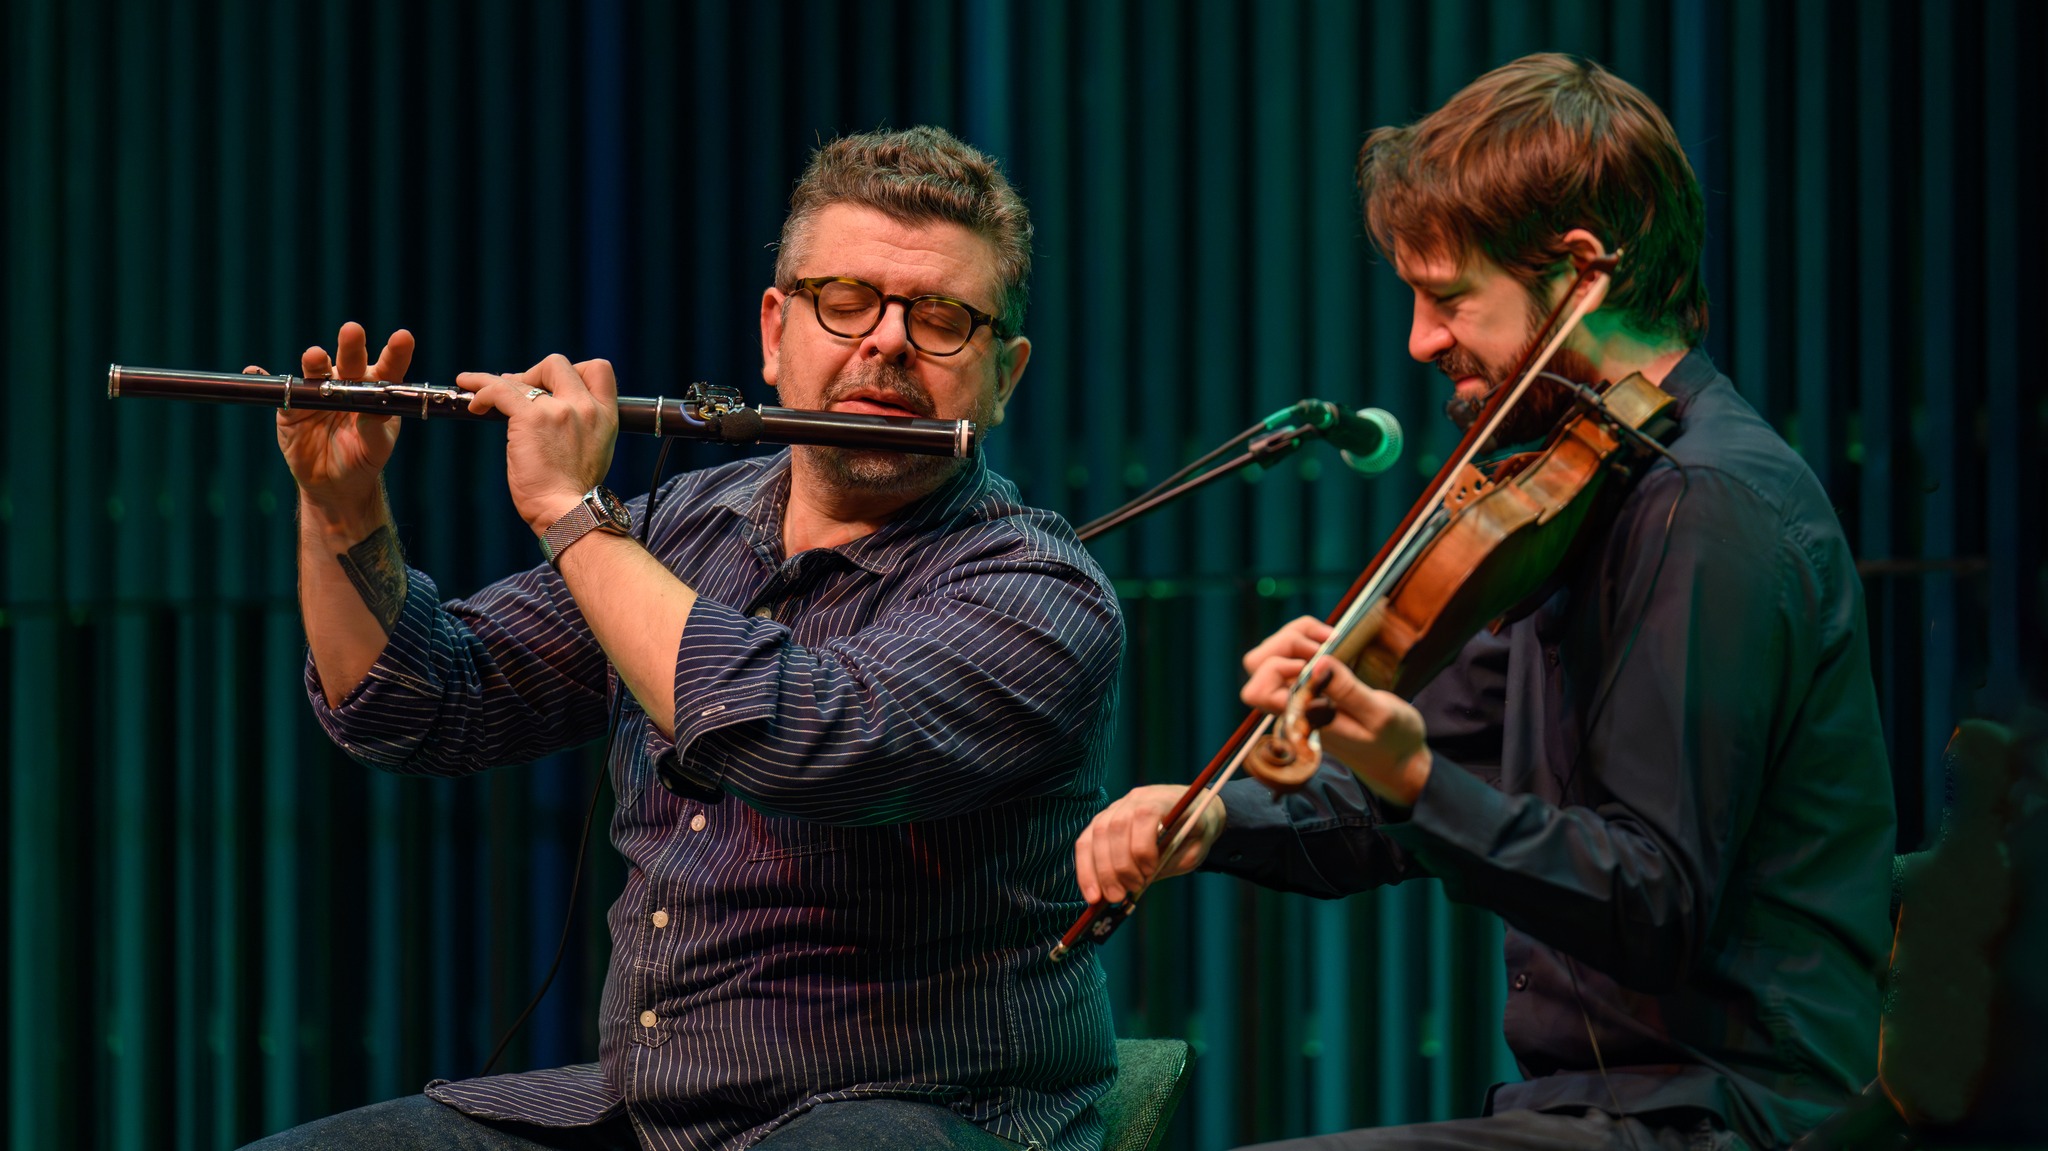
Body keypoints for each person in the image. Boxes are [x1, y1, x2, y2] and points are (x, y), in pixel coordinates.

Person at [1076, 54, 1895, 1151]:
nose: (1420, 338)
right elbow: (1406, 788)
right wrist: (1217, 816)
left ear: (1578, 271)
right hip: (1598, 1109)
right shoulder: (1581, 496)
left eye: (1450, 296)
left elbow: (1652, 903)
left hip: (1718, 1115)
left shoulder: (1701, 506)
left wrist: (1413, 778)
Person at [249, 126, 1122, 1151]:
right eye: (847, 301)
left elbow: (806, 737)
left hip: (918, 1107)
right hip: (645, 1111)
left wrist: (571, 511)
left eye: (940, 319)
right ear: (774, 331)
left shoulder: (1039, 590)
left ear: (1005, 374)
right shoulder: (685, 525)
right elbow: (426, 702)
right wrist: (343, 507)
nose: (886, 342)